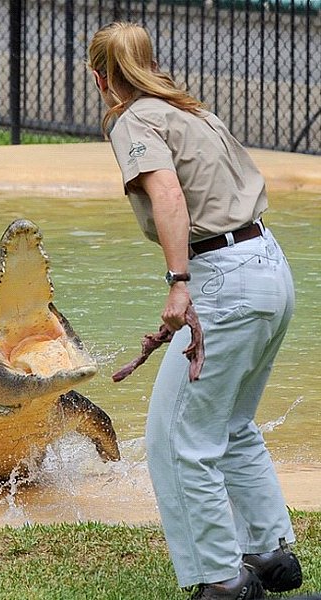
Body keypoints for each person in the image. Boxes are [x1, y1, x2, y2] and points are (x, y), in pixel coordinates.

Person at [87, 21, 303, 600]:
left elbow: (169, 196)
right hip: (269, 267)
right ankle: (269, 553)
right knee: (231, 425)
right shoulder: (191, 110)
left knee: (179, 441)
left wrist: (180, 283)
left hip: (223, 280)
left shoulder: (134, 118)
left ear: (100, 76)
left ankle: (223, 581)